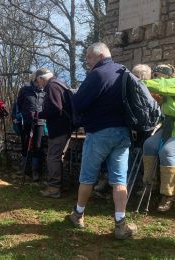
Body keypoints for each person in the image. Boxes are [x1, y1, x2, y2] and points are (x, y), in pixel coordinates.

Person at [68, 42, 137, 239]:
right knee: (119, 180)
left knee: (88, 176)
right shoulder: (124, 72)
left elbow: (78, 103)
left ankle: (78, 215)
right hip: (123, 132)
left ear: (99, 56)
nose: (87, 62)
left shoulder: (97, 74)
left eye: (89, 57)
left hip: (100, 132)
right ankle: (120, 224)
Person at [142, 64, 175, 212]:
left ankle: (168, 195)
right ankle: (150, 184)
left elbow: (161, 86)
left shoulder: (172, 83)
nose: (156, 78)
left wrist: (138, 82)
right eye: (154, 75)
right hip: (167, 125)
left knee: (166, 151)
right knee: (149, 144)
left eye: (158, 76)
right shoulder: (166, 89)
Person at [35, 68, 72, 198]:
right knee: (58, 157)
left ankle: (54, 189)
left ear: (41, 78)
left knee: (53, 157)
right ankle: (60, 185)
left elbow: (56, 108)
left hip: (58, 128)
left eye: (37, 81)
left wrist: (39, 114)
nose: (38, 84)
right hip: (66, 127)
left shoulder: (52, 86)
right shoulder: (61, 83)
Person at [16, 73, 46, 181]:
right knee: (25, 143)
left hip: (40, 122)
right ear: (35, 79)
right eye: (39, 80)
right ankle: (25, 168)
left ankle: (35, 171)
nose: (40, 83)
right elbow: (19, 104)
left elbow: (46, 106)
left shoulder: (45, 91)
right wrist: (22, 115)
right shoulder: (25, 90)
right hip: (26, 121)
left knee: (37, 145)